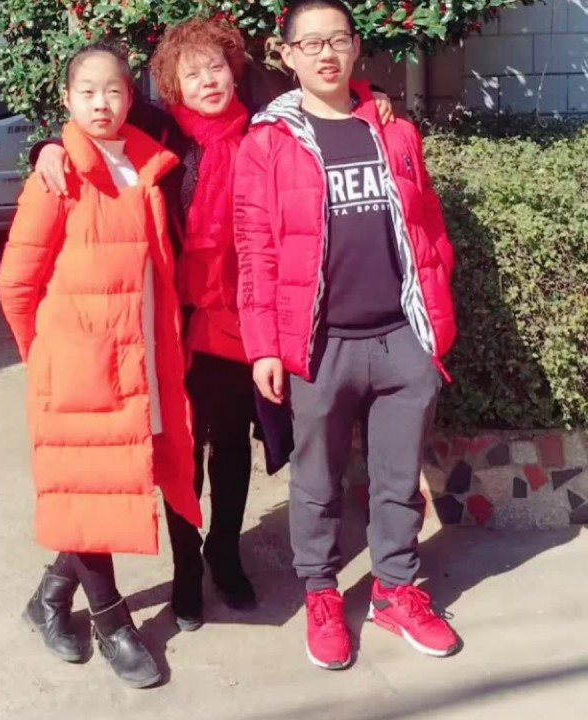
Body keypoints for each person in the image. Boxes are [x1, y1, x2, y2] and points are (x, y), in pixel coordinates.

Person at [32, 18, 395, 632]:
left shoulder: (267, 127)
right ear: (172, 84)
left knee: (229, 446)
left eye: (216, 68)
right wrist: (47, 144)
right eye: (192, 73)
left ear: (235, 71)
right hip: (173, 320)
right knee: (181, 451)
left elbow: (327, 98)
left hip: (239, 318)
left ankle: (223, 554)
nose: (207, 82)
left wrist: (371, 94)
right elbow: (94, 118)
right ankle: (184, 569)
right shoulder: (160, 131)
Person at [233, 0, 460, 671]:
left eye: (337, 40)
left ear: (357, 47)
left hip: (401, 338)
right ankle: (322, 594)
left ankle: (395, 591)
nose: (326, 54)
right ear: (288, 55)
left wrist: (432, 323)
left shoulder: (394, 131)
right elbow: (255, 250)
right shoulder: (268, 143)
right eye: (310, 43)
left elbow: (427, 227)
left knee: (398, 480)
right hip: (319, 344)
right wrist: (264, 345)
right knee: (316, 483)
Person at [0, 41, 201, 689]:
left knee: (106, 485)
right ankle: (114, 624)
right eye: (86, 92)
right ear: (67, 99)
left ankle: (49, 601)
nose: (101, 103)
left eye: (112, 90)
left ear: (130, 96)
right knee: (92, 485)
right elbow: (14, 284)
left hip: (141, 358)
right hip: (80, 371)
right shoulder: (55, 175)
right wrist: (47, 355)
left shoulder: (144, 162)